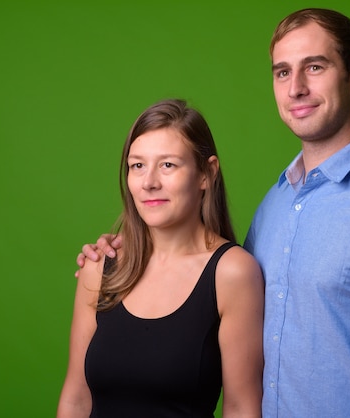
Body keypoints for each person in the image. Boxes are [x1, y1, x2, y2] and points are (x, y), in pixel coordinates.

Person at [77, 8, 350, 417]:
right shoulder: (275, 205)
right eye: (282, 72)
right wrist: (129, 249)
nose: (295, 88)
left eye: (314, 67)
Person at [57, 99, 264, 418]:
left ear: (206, 174)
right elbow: (76, 397)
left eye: (168, 165)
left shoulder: (232, 272)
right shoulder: (101, 266)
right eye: (137, 165)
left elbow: (241, 407)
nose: (149, 182)